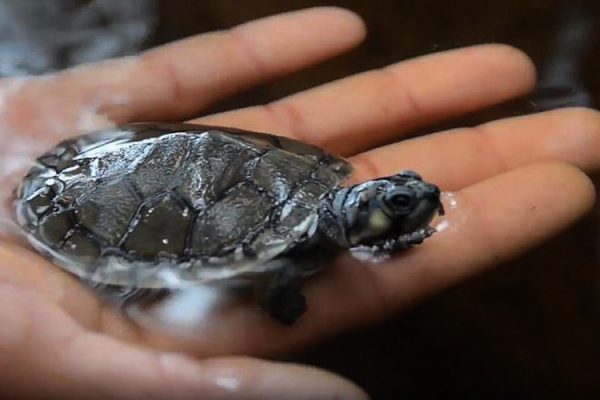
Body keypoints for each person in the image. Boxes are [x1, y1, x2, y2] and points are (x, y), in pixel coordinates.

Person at [0, 7, 598, 400]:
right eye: (398, 198)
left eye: (402, 194)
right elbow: (276, 276)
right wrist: (279, 295)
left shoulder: (327, 206)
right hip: (108, 190)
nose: (416, 195)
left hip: (156, 156)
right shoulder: (299, 245)